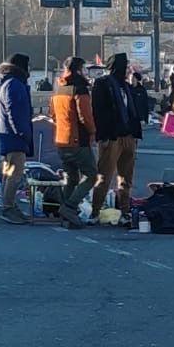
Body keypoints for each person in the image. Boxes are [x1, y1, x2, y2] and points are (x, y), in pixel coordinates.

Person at [50, 58, 98, 228]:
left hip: (61, 140)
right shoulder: (80, 89)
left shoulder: (59, 89)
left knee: (71, 177)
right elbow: (85, 116)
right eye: (84, 68)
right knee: (91, 175)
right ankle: (69, 207)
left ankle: (66, 214)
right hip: (78, 140)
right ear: (79, 69)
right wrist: (93, 131)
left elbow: (53, 115)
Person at [91, 53, 138, 221]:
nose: (128, 70)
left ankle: (125, 212)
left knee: (126, 178)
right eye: (126, 67)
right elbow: (98, 111)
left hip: (128, 136)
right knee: (104, 176)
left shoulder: (125, 86)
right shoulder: (103, 84)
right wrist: (103, 135)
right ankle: (95, 211)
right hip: (112, 137)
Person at [0, 53, 37, 224]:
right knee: (14, 174)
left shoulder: (9, 83)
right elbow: (15, 112)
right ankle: (8, 208)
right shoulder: (15, 84)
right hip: (15, 138)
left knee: (8, 173)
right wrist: (22, 133)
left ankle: (9, 206)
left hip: (9, 136)